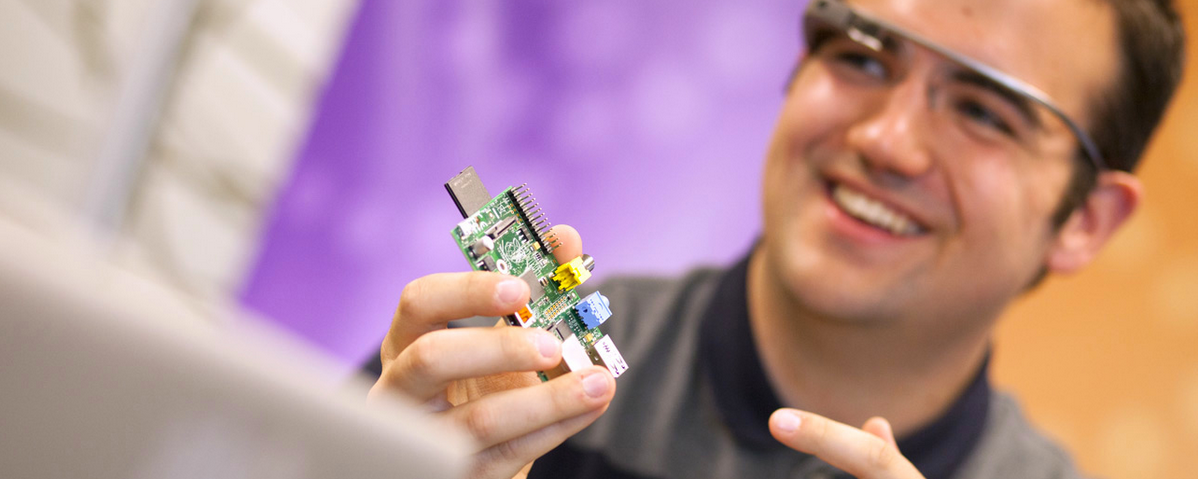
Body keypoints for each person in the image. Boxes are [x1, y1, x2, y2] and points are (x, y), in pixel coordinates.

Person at [365, 0, 1186, 477]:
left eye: (983, 111)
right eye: (864, 58)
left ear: (1086, 220)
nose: (886, 140)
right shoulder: (474, 382)